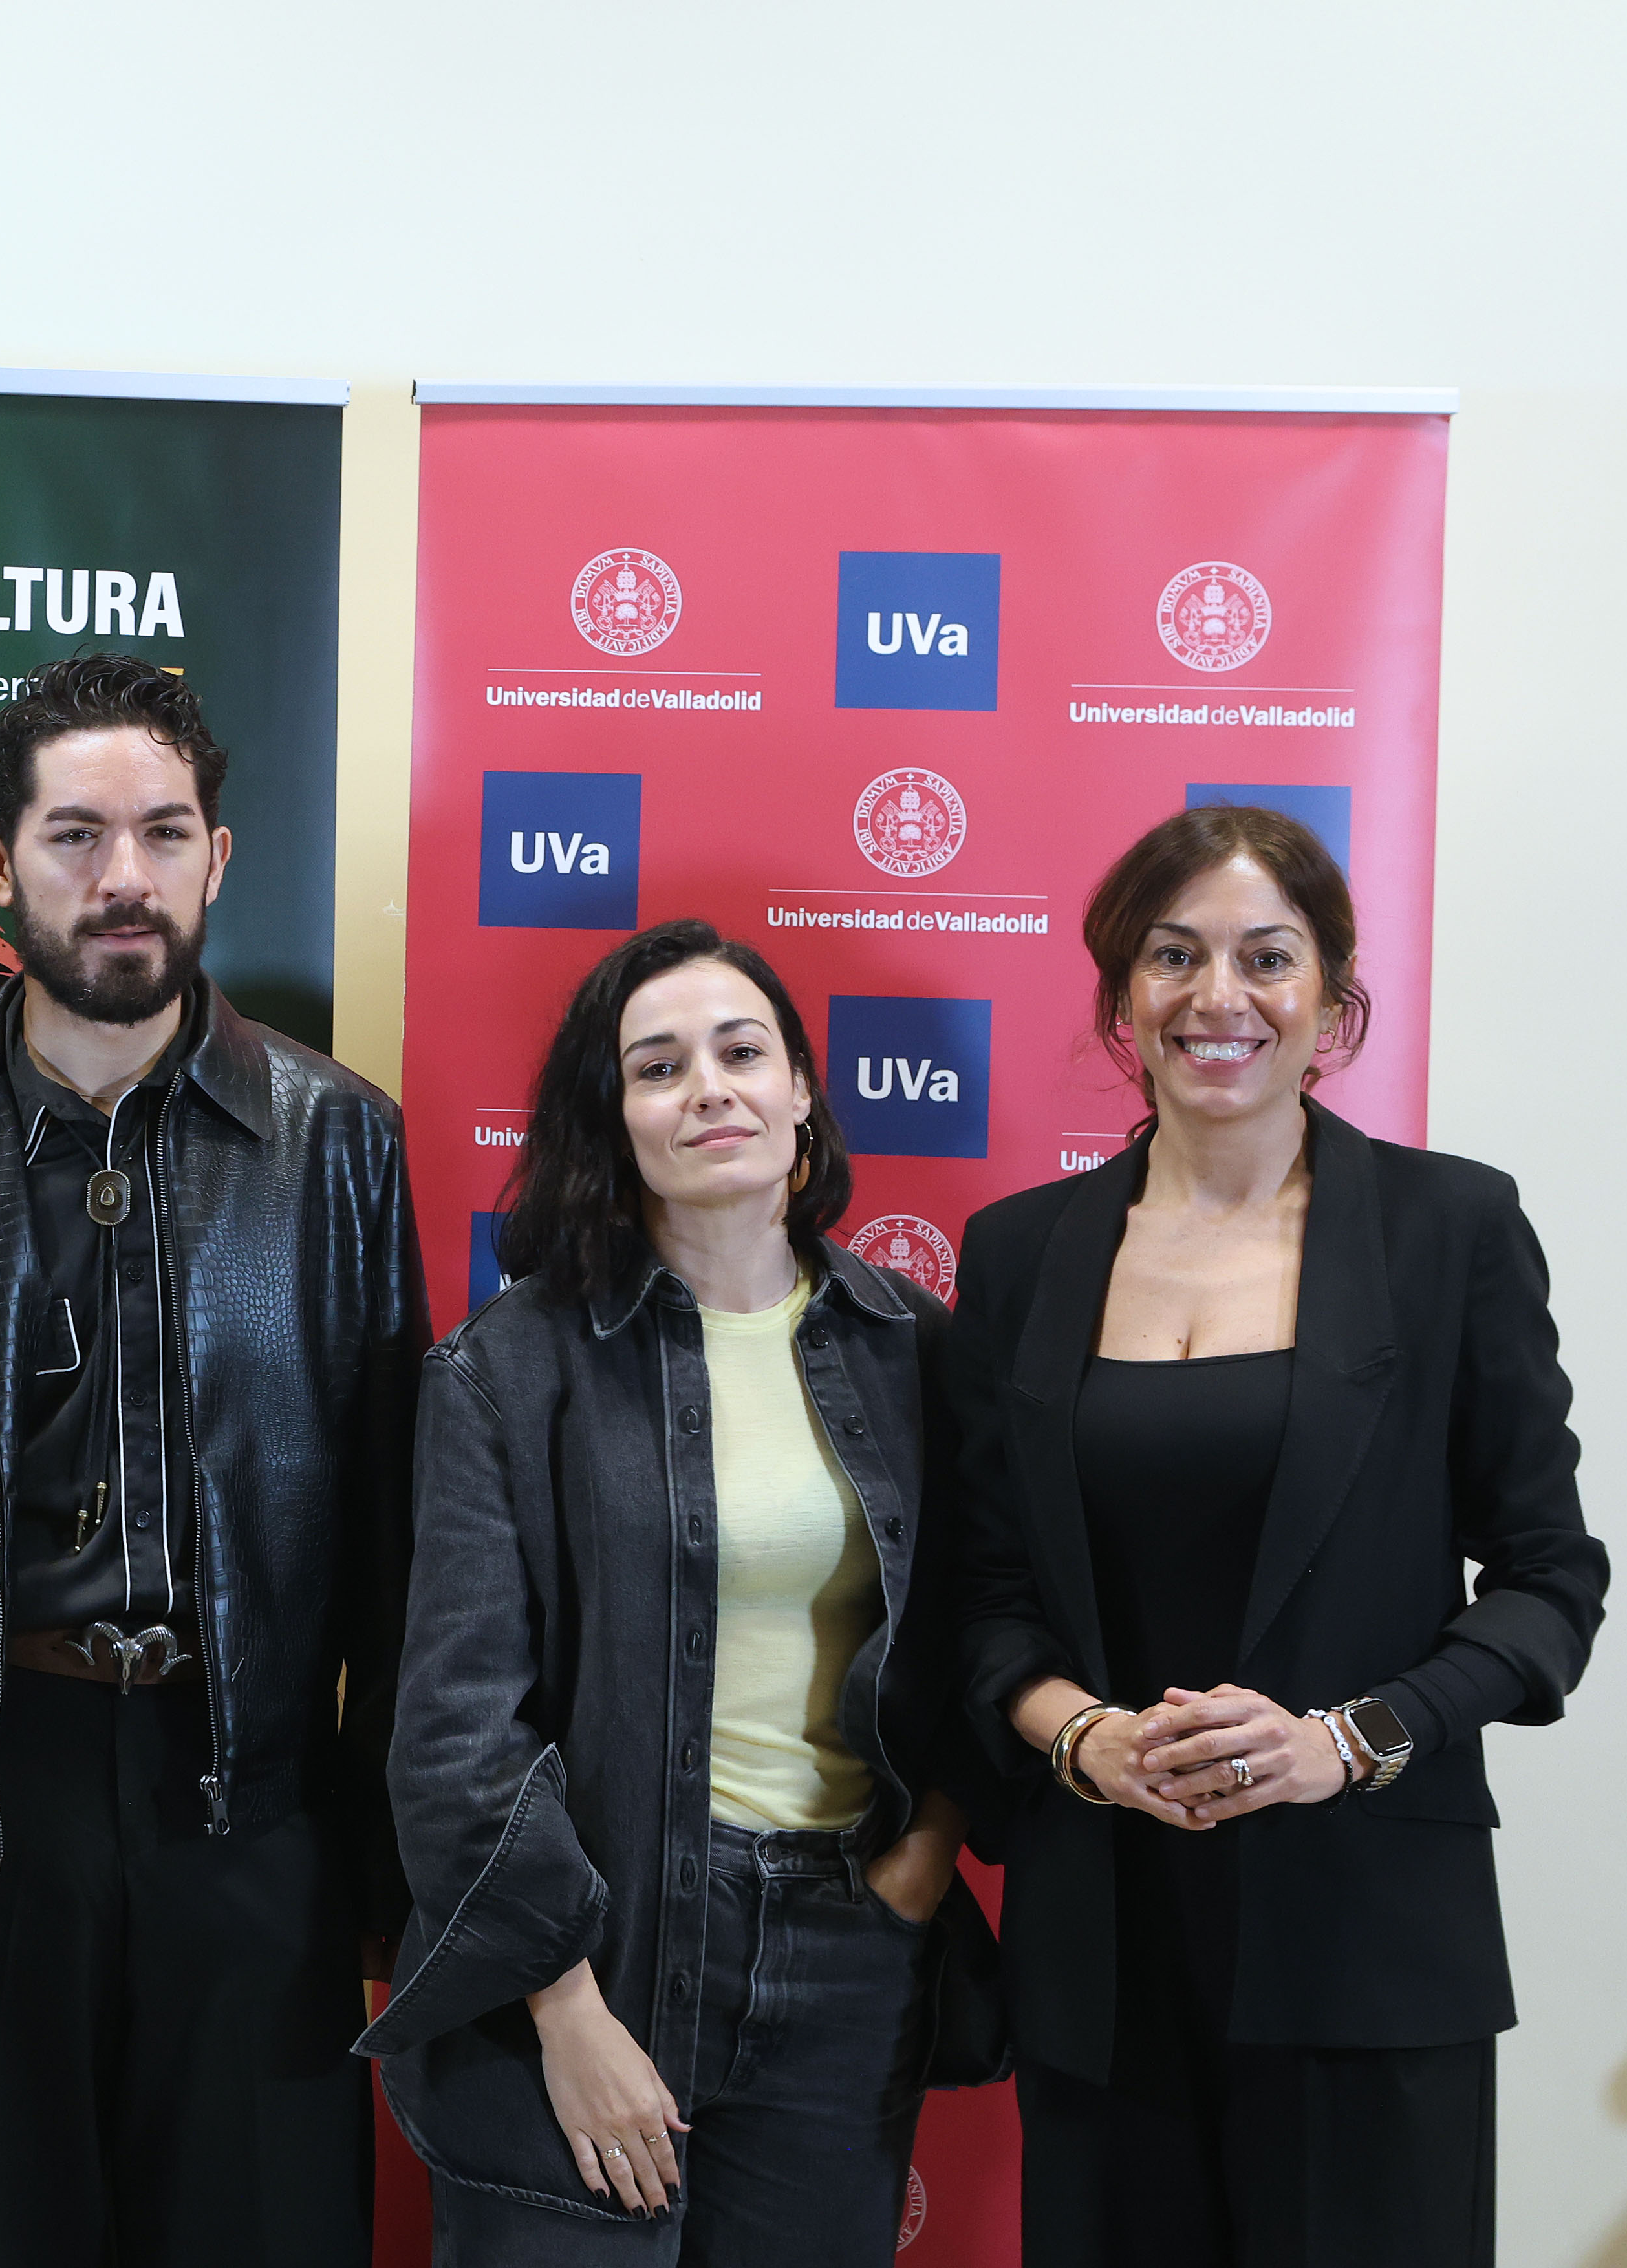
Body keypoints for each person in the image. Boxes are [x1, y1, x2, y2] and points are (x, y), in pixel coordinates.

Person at [945, 806, 1608, 2268]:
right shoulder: (1020, 1254)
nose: (1217, 996)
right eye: (1174, 955)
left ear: (1332, 994)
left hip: (1367, 1930)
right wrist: (1080, 1740)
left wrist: (1350, 1737)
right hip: (1107, 1950)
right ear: (1123, 993)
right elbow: (981, 1595)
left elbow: (1552, 1580)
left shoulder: (1453, 1230)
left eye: (1266, 956)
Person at [0, 655, 427, 2268]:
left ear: (218, 859)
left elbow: (395, 1531)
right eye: (76, 834)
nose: (124, 878)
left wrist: (382, 1853)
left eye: (164, 834)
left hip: (246, 1792)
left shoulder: (338, 1140)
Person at [359, 918, 1000, 2263]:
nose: (708, 1085)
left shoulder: (914, 1349)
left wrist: (923, 1858)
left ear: (802, 1095)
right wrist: (564, 2006)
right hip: (596, 1941)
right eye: (658, 1066)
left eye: (741, 1050)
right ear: (617, 1122)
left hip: (848, 1945)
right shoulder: (506, 1370)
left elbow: (977, 1637)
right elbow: (456, 1727)